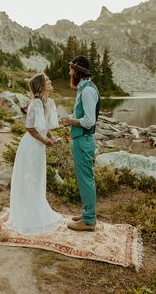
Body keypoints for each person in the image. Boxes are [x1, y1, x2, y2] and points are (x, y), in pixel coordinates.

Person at [4, 73, 64, 235]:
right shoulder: (35, 104)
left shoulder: (47, 102)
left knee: (38, 178)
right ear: (40, 86)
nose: (50, 81)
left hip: (39, 146)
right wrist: (46, 142)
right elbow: (30, 128)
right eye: (47, 80)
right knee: (30, 178)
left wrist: (51, 137)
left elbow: (43, 125)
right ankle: (27, 216)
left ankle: (36, 210)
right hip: (31, 147)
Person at [61, 55, 100, 232]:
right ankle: (87, 213)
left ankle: (89, 220)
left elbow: (89, 121)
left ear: (78, 71)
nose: (69, 72)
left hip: (83, 141)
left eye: (71, 69)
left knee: (85, 179)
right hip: (82, 140)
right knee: (84, 178)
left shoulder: (87, 91)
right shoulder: (84, 88)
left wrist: (71, 121)